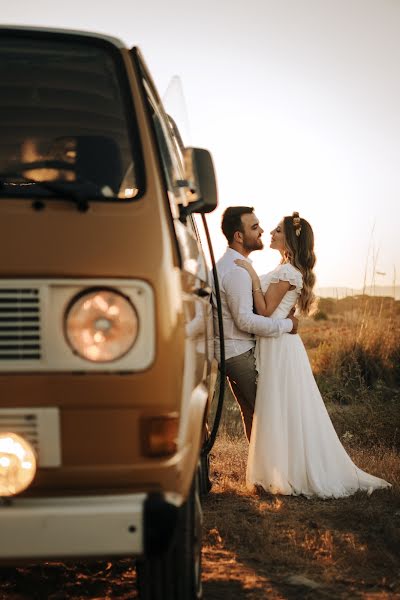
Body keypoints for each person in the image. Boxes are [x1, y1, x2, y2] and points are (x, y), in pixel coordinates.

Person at [235, 211, 391, 498]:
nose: (270, 233)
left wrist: (251, 274)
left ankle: (289, 471)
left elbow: (266, 311)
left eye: (278, 231)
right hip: (278, 343)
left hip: (279, 346)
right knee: (282, 408)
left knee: (282, 407)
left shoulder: (287, 272)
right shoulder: (287, 269)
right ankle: (280, 468)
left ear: (290, 240)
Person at [212, 206, 298, 442]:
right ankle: (275, 473)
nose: (262, 231)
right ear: (239, 236)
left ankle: (258, 473)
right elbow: (245, 320)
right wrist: (287, 325)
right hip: (238, 353)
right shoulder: (236, 271)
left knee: (251, 412)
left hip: (230, 352)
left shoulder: (231, 265)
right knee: (270, 413)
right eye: (254, 227)